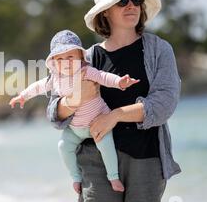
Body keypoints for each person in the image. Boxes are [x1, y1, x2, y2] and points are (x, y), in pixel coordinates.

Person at [46, 0, 182, 202]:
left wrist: (115, 115)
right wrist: (77, 98)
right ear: (105, 12)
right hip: (95, 158)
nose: (131, 5)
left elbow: (165, 103)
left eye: (136, 0)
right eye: (122, 1)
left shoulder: (159, 49)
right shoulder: (85, 58)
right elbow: (54, 113)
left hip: (146, 157)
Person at [9, 30, 139, 193]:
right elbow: (38, 87)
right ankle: (76, 177)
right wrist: (23, 96)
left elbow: (104, 77)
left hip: (98, 123)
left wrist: (120, 82)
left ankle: (113, 177)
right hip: (75, 129)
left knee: (106, 146)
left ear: (80, 58)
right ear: (54, 63)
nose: (66, 62)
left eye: (70, 57)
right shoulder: (54, 79)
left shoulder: (86, 72)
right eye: (60, 59)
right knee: (63, 146)